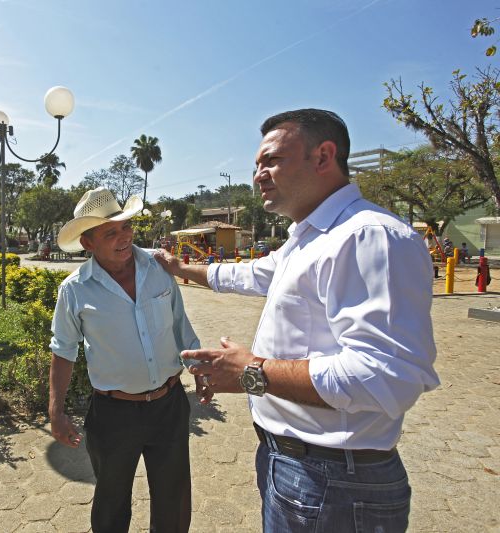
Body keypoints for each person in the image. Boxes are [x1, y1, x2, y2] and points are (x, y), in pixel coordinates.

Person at [155, 109, 439, 533]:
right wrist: (181, 269)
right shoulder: (310, 237)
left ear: (323, 156)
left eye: (271, 161)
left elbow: (385, 377)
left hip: (337, 482)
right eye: (257, 166)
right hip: (297, 466)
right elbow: (254, 273)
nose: (259, 176)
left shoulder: (366, 236)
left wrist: (253, 373)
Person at [49, 187, 200, 533]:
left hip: (169, 405)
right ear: (88, 244)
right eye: (111, 232)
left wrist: (198, 367)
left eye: (126, 227)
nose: (124, 237)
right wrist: (56, 412)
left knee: (173, 501)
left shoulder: (158, 269)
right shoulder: (75, 290)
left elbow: (179, 325)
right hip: (113, 413)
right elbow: (63, 349)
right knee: (111, 505)